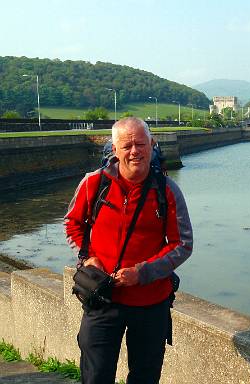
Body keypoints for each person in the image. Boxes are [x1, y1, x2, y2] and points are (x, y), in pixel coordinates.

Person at [64, 117, 193, 384]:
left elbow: (182, 245)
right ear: (114, 149)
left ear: (152, 145)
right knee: (95, 375)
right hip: (101, 298)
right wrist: (89, 257)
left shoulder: (167, 191)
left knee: (145, 377)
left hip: (150, 302)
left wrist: (143, 272)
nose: (135, 151)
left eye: (141, 144)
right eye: (127, 146)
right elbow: (73, 223)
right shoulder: (93, 184)